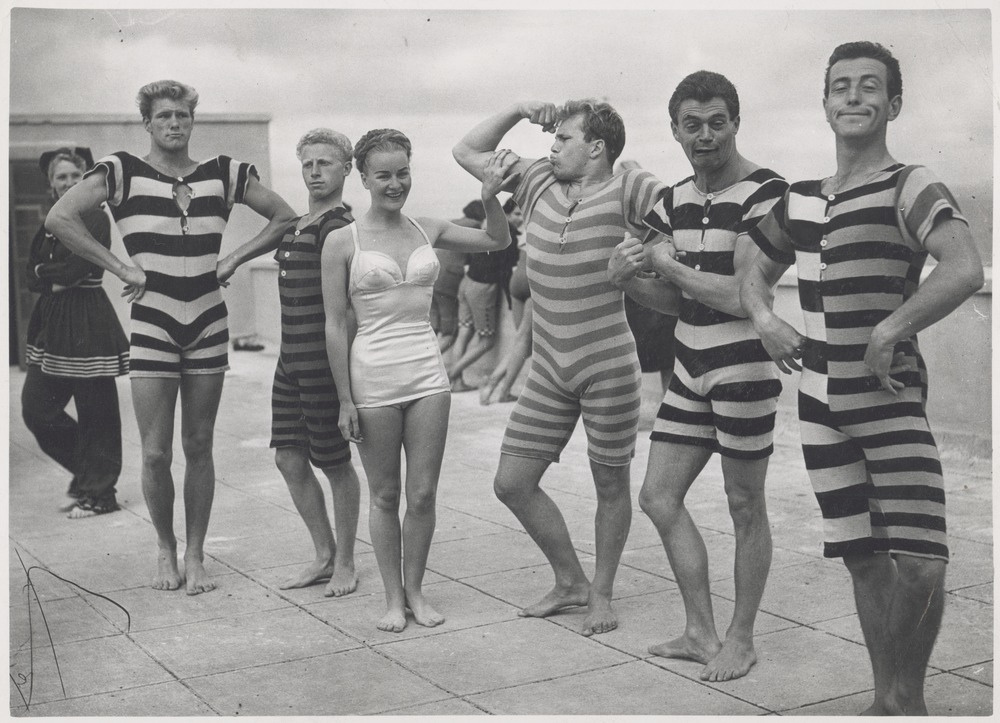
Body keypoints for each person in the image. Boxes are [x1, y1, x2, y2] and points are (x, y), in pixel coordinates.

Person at [739, 42, 984, 714]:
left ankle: (909, 692)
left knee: (923, 560)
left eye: (868, 86)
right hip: (818, 406)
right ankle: (885, 698)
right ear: (824, 104)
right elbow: (750, 264)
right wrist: (764, 317)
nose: (852, 97)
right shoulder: (801, 199)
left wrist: (891, 328)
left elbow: (964, 267)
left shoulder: (910, 183)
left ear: (893, 104)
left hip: (888, 398)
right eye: (840, 87)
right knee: (864, 557)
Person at [46, 80, 297, 595]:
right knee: (156, 452)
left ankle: (197, 553)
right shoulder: (120, 170)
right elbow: (59, 217)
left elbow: (285, 217)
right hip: (153, 324)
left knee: (199, 444)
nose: (175, 124)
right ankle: (165, 548)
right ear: (148, 123)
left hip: (208, 321)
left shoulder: (225, 173)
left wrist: (232, 258)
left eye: (182, 115)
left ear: (191, 120)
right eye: (164, 117)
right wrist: (118, 265)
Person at [453, 99, 665, 636]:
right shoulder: (537, 181)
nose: (552, 145)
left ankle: (602, 594)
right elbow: (466, 150)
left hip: (608, 364)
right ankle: (569, 580)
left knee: (610, 485)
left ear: (597, 147)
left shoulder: (629, 187)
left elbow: (679, 221)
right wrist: (520, 110)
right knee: (512, 481)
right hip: (549, 367)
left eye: (564, 137)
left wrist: (648, 258)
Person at [608, 71, 788, 681]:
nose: (705, 135)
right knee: (658, 496)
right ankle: (699, 630)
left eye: (717, 122)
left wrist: (665, 265)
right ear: (676, 130)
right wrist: (628, 274)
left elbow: (745, 297)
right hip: (689, 368)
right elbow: (670, 302)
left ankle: (741, 638)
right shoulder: (673, 199)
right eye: (693, 124)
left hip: (743, 372)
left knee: (744, 506)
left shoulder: (768, 193)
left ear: (735, 122)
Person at [321, 128, 513, 632]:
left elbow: (498, 239)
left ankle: (416, 592)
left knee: (423, 494)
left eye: (402, 172)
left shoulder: (428, 228)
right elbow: (336, 324)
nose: (394, 183)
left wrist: (490, 196)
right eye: (382, 175)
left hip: (428, 373)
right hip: (373, 379)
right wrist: (344, 399)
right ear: (362, 178)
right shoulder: (343, 241)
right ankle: (391, 599)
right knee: (385, 494)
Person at [270, 128, 362, 596]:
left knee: (335, 463)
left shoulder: (341, 229)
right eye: (307, 164)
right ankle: (323, 554)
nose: (314, 172)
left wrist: (346, 390)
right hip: (290, 361)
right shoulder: (299, 225)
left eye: (325, 163)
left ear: (346, 168)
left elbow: (345, 313)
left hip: (324, 365)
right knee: (288, 457)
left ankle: (345, 561)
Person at [21, 147, 130, 518]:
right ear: (51, 184)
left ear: (86, 180)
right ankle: (88, 474)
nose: (68, 183)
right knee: (36, 409)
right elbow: (28, 274)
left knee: (96, 410)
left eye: (74, 176)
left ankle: (100, 493)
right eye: (60, 177)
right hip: (51, 322)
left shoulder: (95, 219)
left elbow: (75, 272)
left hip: (87, 319)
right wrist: (46, 278)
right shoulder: (52, 220)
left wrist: (44, 277)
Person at [446, 199, 520, 391]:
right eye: (517, 214)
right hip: (482, 288)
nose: (520, 219)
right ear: (508, 214)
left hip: (467, 282)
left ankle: (457, 382)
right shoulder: (509, 234)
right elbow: (505, 270)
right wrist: (512, 300)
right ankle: (449, 377)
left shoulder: (489, 224)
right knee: (486, 341)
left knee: (464, 333)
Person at [479, 197, 532, 405]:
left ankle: (493, 383)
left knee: (522, 343)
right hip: (531, 278)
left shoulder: (527, 224)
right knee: (524, 343)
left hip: (516, 279)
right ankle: (501, 390)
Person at [432, 201, 481, 353]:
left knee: (434, 328)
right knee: (450, 333)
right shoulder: (474, 226)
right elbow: (477, 255)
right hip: (449, 283)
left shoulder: (453, 223)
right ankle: (424, 366)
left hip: (434, 277)